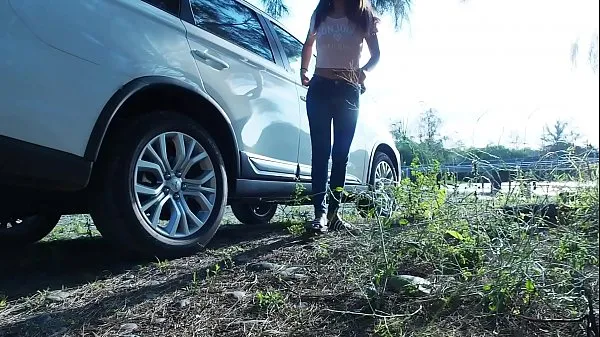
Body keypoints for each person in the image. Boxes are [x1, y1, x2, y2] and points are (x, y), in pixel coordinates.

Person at [300, 0, 381, 234]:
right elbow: (308, 44)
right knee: (320, 152)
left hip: (348, 90)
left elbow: (376, 54)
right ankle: (320, 214)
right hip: (320, 88)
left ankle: (334, 214)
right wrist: (304, 71)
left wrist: (363, 72)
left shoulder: (363, 16)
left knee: (341, 155)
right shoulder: (320, 14)